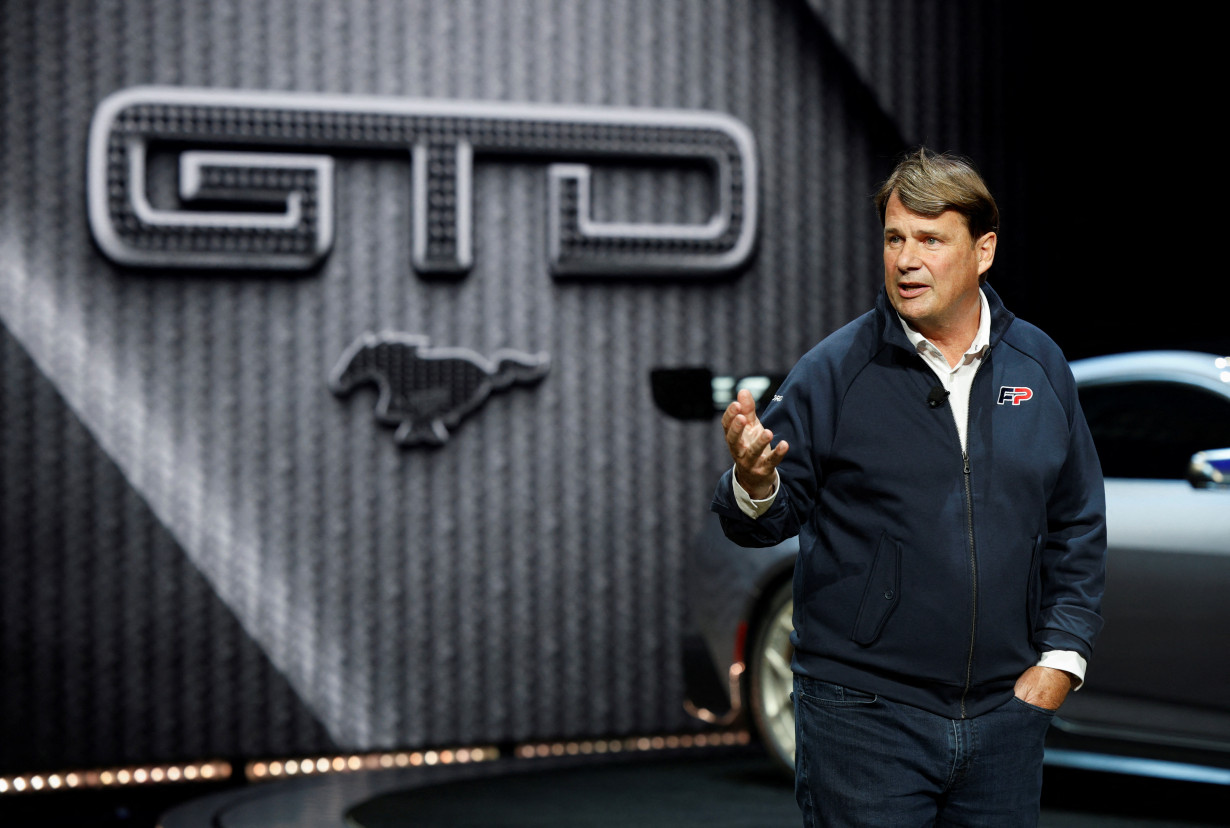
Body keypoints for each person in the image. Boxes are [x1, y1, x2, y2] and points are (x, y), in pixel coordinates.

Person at [711, 148, 1106, 827]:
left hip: (1005, 718)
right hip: (864, 717)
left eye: (929, 239)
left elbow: (1076, 523)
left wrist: (1060, 662)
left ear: (982, 251)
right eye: (895, 238)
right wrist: (754, 481)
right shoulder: (836, 370)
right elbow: (761, 520)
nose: (905, 259)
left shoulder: (1039, 365)